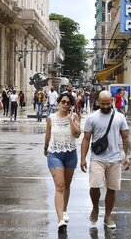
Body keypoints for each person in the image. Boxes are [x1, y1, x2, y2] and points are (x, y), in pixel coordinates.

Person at [80, 90, 131, 229]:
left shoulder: (120, 117)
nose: (106, 106)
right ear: (98, 102)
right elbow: (86, 138)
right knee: (94, 186)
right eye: (103, 104)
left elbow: (125, 138)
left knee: (112, 188)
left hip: (115, 159)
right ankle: (95, 208)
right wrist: (83, 158)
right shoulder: (92, 118)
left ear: (112, 101)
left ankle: (108, 216)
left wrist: (128, 156)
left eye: (108, 103)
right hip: (97, 158)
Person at [44, 93, 81, 232]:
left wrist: (71, 119)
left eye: (68, 103)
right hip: (54, 154)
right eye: (63, 102)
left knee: (67, 185)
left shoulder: (74, 117)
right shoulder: (51, 119)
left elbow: (77, 134)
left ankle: (64, 209)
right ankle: (60, 220)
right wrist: (45, 147)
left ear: (71, 105)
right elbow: (48, 134)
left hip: (70, 154)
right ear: (59, 102)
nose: (65, 105)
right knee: (60, 186)